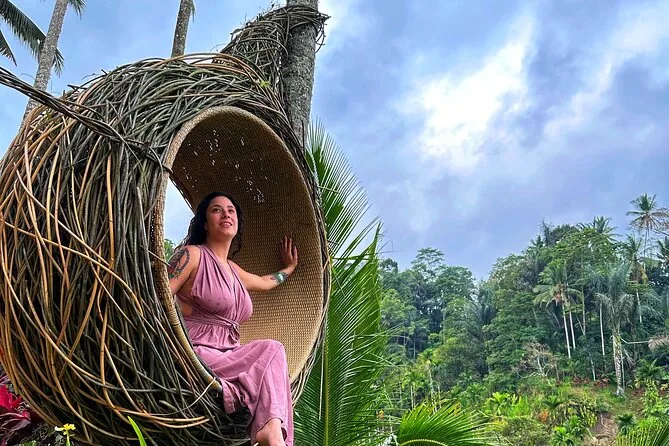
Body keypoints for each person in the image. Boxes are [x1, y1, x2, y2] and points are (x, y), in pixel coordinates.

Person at [167, 191, 297, 446]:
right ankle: (272, 435)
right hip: (196, 351)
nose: (225, 214)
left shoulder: (233, 270)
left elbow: (264, 282)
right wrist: (179, 320)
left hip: (229, 353)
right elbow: (158, 294)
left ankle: (272, 430)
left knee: (272, 351)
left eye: (231, 210)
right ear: (205, 223)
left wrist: (289, 269)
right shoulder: (191, 255)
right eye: (216, 209)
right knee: (270, 351)